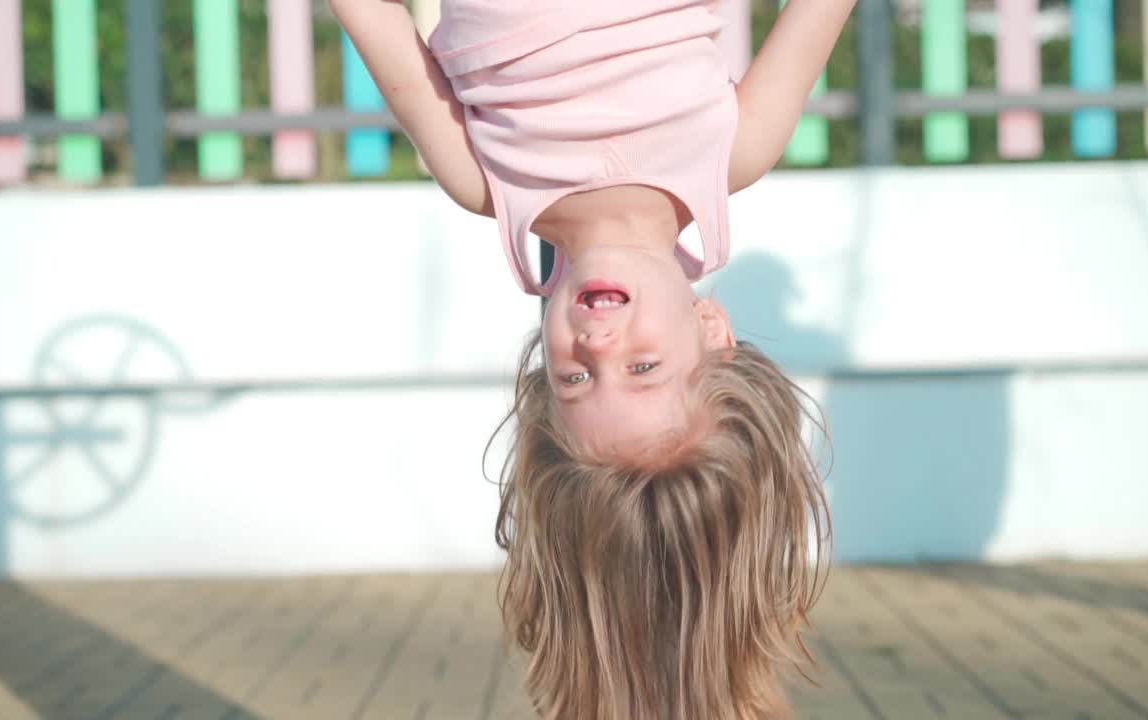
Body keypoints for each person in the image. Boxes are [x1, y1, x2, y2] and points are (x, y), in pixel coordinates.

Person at [332, 1, 852, 717]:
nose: (599, 344)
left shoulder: (485, 181)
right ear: (712, 331)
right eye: (643, 369)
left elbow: (369, 18)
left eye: (575, 379)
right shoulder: (737, 148)